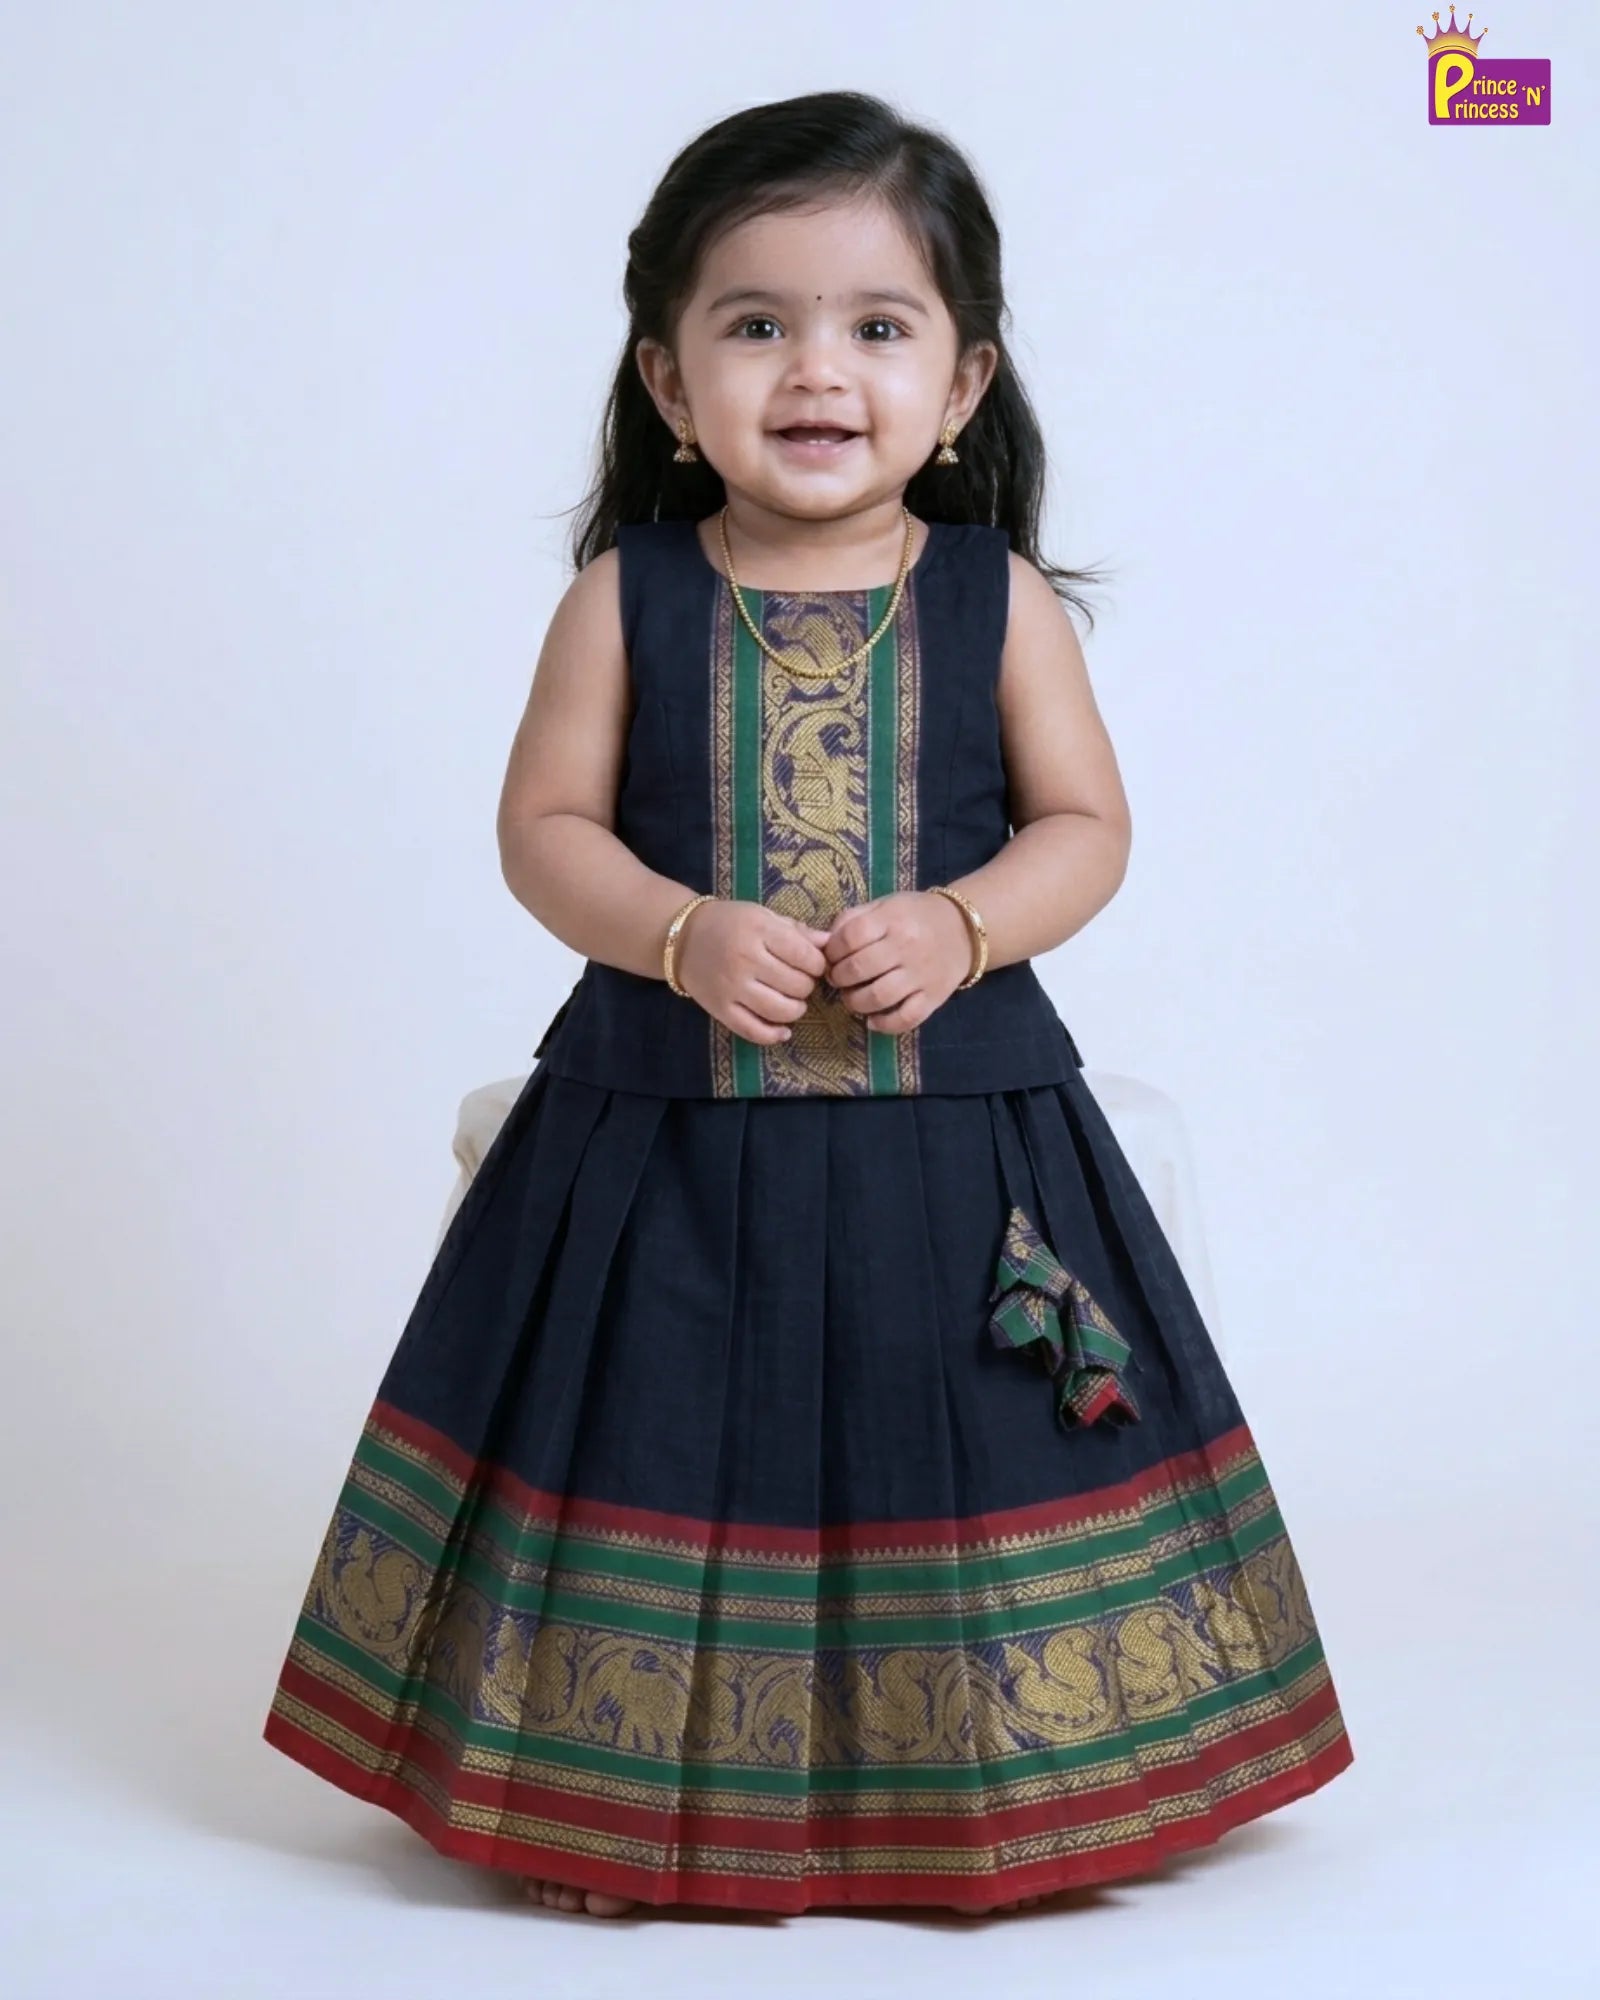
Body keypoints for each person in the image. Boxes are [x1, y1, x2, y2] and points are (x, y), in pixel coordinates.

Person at [261, 88, 1355, 1922]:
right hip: (662, 1145)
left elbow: (1090, 828)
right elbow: (541, 831)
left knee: (963, 1421)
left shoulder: (1000, 604)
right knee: (663, 1423)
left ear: (966, 382)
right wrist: (680, 931)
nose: (816, 369)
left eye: (877, 326)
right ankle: (608, 1810)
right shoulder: (630, 596)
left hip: (959, 1145)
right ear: (672, 386)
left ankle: (1011, 1796)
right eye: (755, 324)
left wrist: (970, 922)